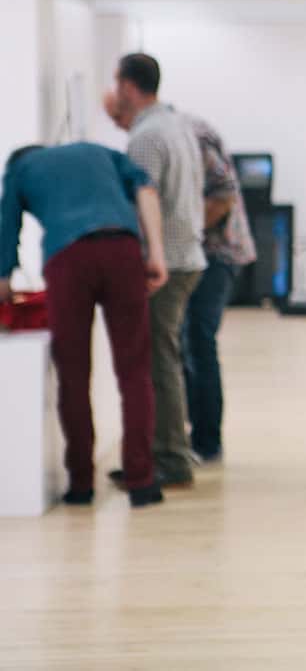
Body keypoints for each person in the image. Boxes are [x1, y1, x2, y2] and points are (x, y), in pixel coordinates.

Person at [0, 143, 169, 507]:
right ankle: (141, 482)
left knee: (73, 373)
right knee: (135, 370)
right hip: (123, 249)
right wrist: (155, 252)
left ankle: (80, 484)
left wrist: (4, 281)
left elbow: (7, 228)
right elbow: (146, 188)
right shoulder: (100, 153)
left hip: (67, 258)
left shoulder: (19, 170)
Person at [108, 53, 207, 490]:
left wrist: (147, 259)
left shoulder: (146, 137)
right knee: (165, 360)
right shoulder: (178, 124)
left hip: (163, 266)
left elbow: (142, 202)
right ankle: (160, 452)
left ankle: (169, 459)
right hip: (187, 257)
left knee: (157, 364)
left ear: (129, 86)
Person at [183, 116, 256, 464]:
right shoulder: (182, 132)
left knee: (198, 341)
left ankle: (206, 443)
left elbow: (223, 195)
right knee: (189, 343)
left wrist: (184, 234)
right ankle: (196, 436)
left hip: (215, 253)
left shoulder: (190, 136)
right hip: (201, 255)